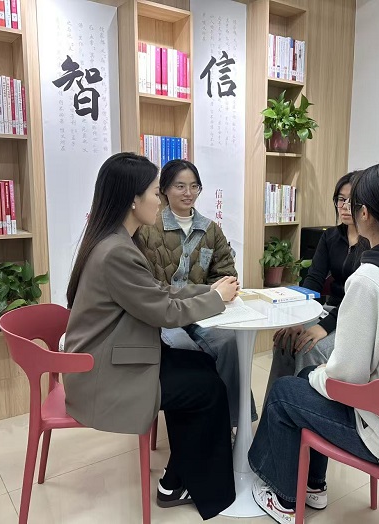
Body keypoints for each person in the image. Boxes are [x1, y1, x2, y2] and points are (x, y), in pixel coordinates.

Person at [248, 161, 379, 523]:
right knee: (308, 379)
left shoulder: (370, 279)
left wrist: (317, 375)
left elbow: (346, 379)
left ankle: (284, 498)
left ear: (364, 214)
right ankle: (313, 484)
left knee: (288, 392)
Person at [62, 153, 239, 520]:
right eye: (155, 192)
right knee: (207, 388)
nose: (160, 200)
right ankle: (192, 485)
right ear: (133, 199)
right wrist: (214, 299)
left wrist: (207, 292)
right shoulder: (117, 251)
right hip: (106, 375)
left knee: (201, 368)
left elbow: (157, 291)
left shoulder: (115, 240)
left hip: (114, 357)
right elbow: (163, 311)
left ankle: (179, 478)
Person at [139, 159, 257, 427]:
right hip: (164, 315)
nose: (188, 193)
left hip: (203, 312)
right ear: (164, 189)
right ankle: (195, 426)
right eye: (180, 186)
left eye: (194, 186)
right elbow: (146, 285)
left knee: (229, 343)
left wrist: (220, 291)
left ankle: (233, 422)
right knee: (184, 349)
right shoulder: (148, 228)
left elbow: (225, 274)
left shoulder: (210, 229)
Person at [264, 173, 369, 401]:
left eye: (352, 200)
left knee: (309, 346)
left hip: (356, 317)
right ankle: (275, 411)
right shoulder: (331, 236)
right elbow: (313, 279)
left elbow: (360, 301)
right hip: (331, 309)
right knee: (285, 340)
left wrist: (323, 327)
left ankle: (304, 411)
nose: (345, 206)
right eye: (340, 199)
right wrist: (298, 318)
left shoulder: (373, 241)